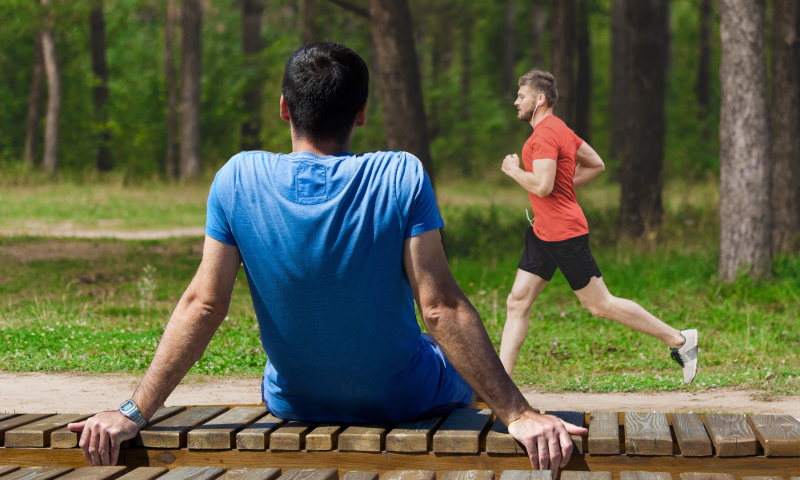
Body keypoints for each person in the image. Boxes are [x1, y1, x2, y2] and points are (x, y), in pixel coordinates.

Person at [67, 44, 586, 474]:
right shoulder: (399, 175)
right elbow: (440, 308)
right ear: (360, 113)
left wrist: (132, 412)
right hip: (401, 398)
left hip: (295, 401)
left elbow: (203, 304)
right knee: (446, 363)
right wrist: (518, 413)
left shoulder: (236, 178)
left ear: (284, 108)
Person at [498, 68, 699, 384]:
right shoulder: (563, 130)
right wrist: (565, 187)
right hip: (542, 233)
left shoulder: (546, 134)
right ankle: (500, 385)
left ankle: (679, 340)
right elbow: (596, 164)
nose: (515, 102)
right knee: (517, 301)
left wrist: (513, 170)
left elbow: (542, 187)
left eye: (521, 96)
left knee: (600, 305)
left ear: (539, 99)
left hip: (564, 235)